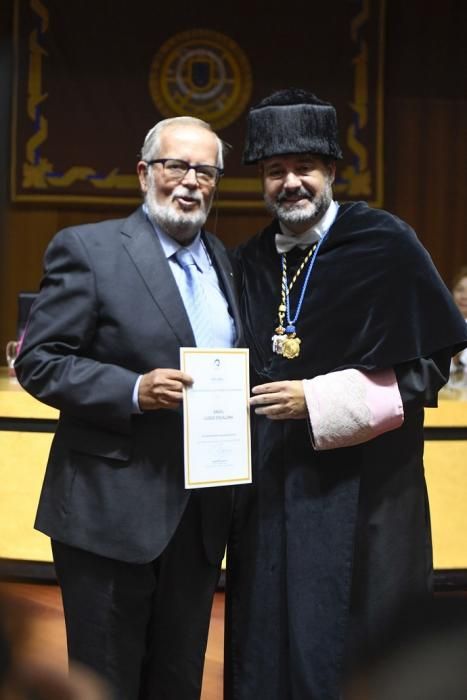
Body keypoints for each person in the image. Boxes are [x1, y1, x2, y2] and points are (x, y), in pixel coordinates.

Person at [224, 89, 467, 700]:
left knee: (356, 654)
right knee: (266, 647)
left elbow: (429, 367)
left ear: (331, 170)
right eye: (275, 171)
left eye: (304, 168)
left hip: (366, 497)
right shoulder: (253, 259)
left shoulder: (386, 242)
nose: (291, 183)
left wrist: (320, 400)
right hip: (273, 495)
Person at [15, 116, 242, 700]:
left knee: (177, 678)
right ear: (145, 173)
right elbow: (40, 361)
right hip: (108, 512)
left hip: (199, 515)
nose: (190, 181)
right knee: (105, 682)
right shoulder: (89, 249)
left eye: (205, 170)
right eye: (175, 165)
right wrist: (132, 390)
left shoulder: (226, 261)